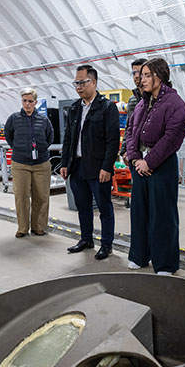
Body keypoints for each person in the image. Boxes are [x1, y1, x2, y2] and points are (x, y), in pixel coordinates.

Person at [125, 58, 185, 275]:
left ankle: (165, 263)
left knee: (162, 215)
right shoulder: (141, 104)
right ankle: (139, 255)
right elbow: (131, 132)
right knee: (139, 212)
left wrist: (149, 161)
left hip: (161, 165)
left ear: (159, 76)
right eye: (140, 75)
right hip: (139, 165)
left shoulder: (175, 103)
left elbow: (172, 138)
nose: (141, 79)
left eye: (146, 75)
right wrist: (135, 159)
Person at [59, 65, 121, 260]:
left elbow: (113, 141)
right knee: (82, 206)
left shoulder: (107, 107)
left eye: (82, 82)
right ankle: (86, 239)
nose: (78, 87)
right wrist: (64, 163)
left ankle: (107, 244)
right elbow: (68, 138)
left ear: (93, 82)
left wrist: (107, 167)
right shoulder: (75, 108)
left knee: (104, 207)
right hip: (77, 166)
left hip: (97, 167)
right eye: (76, 83)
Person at [4, 87, 54, 237]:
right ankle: (22, 228)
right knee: (21, 196)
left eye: (30, 101)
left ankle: (39, 227)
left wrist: (41, 148)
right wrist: (19, 149)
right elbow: (8, 136)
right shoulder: (14, 119)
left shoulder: (43, 120)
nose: (27, 104)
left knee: (42, 196)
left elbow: (50, 137)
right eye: (24, 101)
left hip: (41, 163)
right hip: (20, 163)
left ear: (35, 102)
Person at [120, 58, 147, 162]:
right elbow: (129, 127)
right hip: (135, 153)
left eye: (139, 72)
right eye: (134, 73)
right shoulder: (133, 100)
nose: (136, 76)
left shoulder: (157, 99)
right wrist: (124, 151)